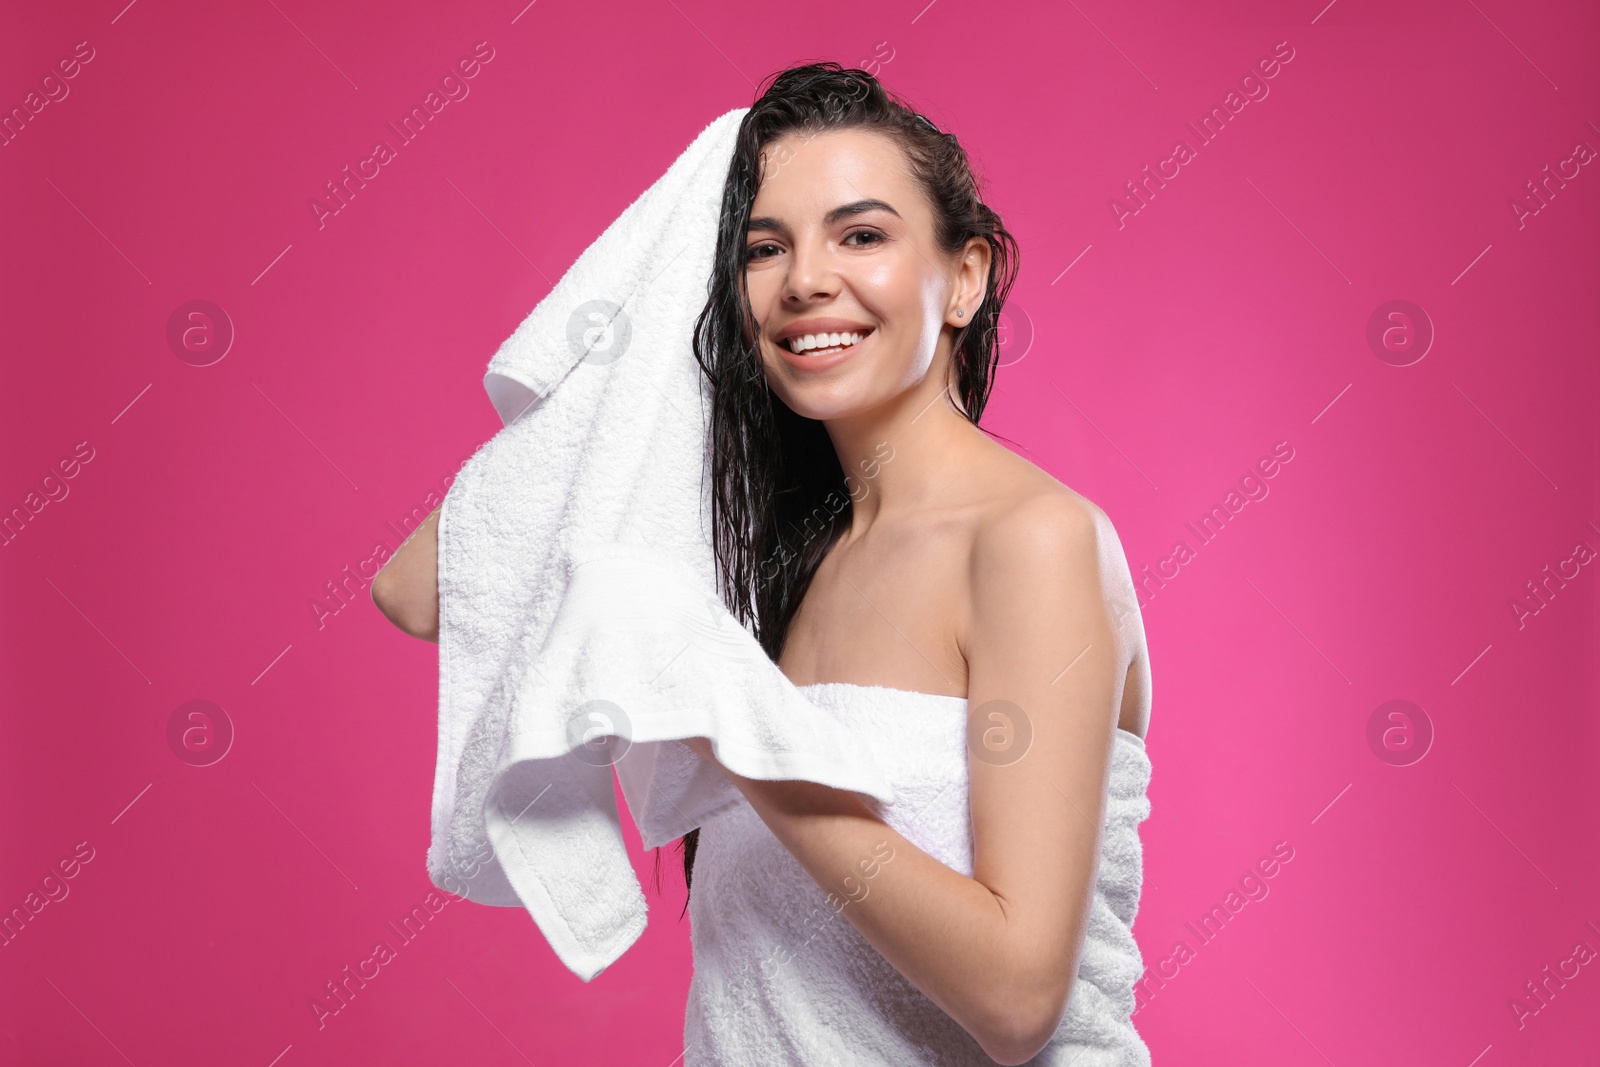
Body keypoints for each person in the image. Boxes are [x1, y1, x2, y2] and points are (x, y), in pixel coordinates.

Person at [375, 62, 1152, 1067]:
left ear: (965, 277)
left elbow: (1014, 997)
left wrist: (731, 723)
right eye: (762, 247)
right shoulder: (764, 561)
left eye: (860, 234)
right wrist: (649, 320)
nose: (804, 280)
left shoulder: (1029, 542)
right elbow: (422, 587)